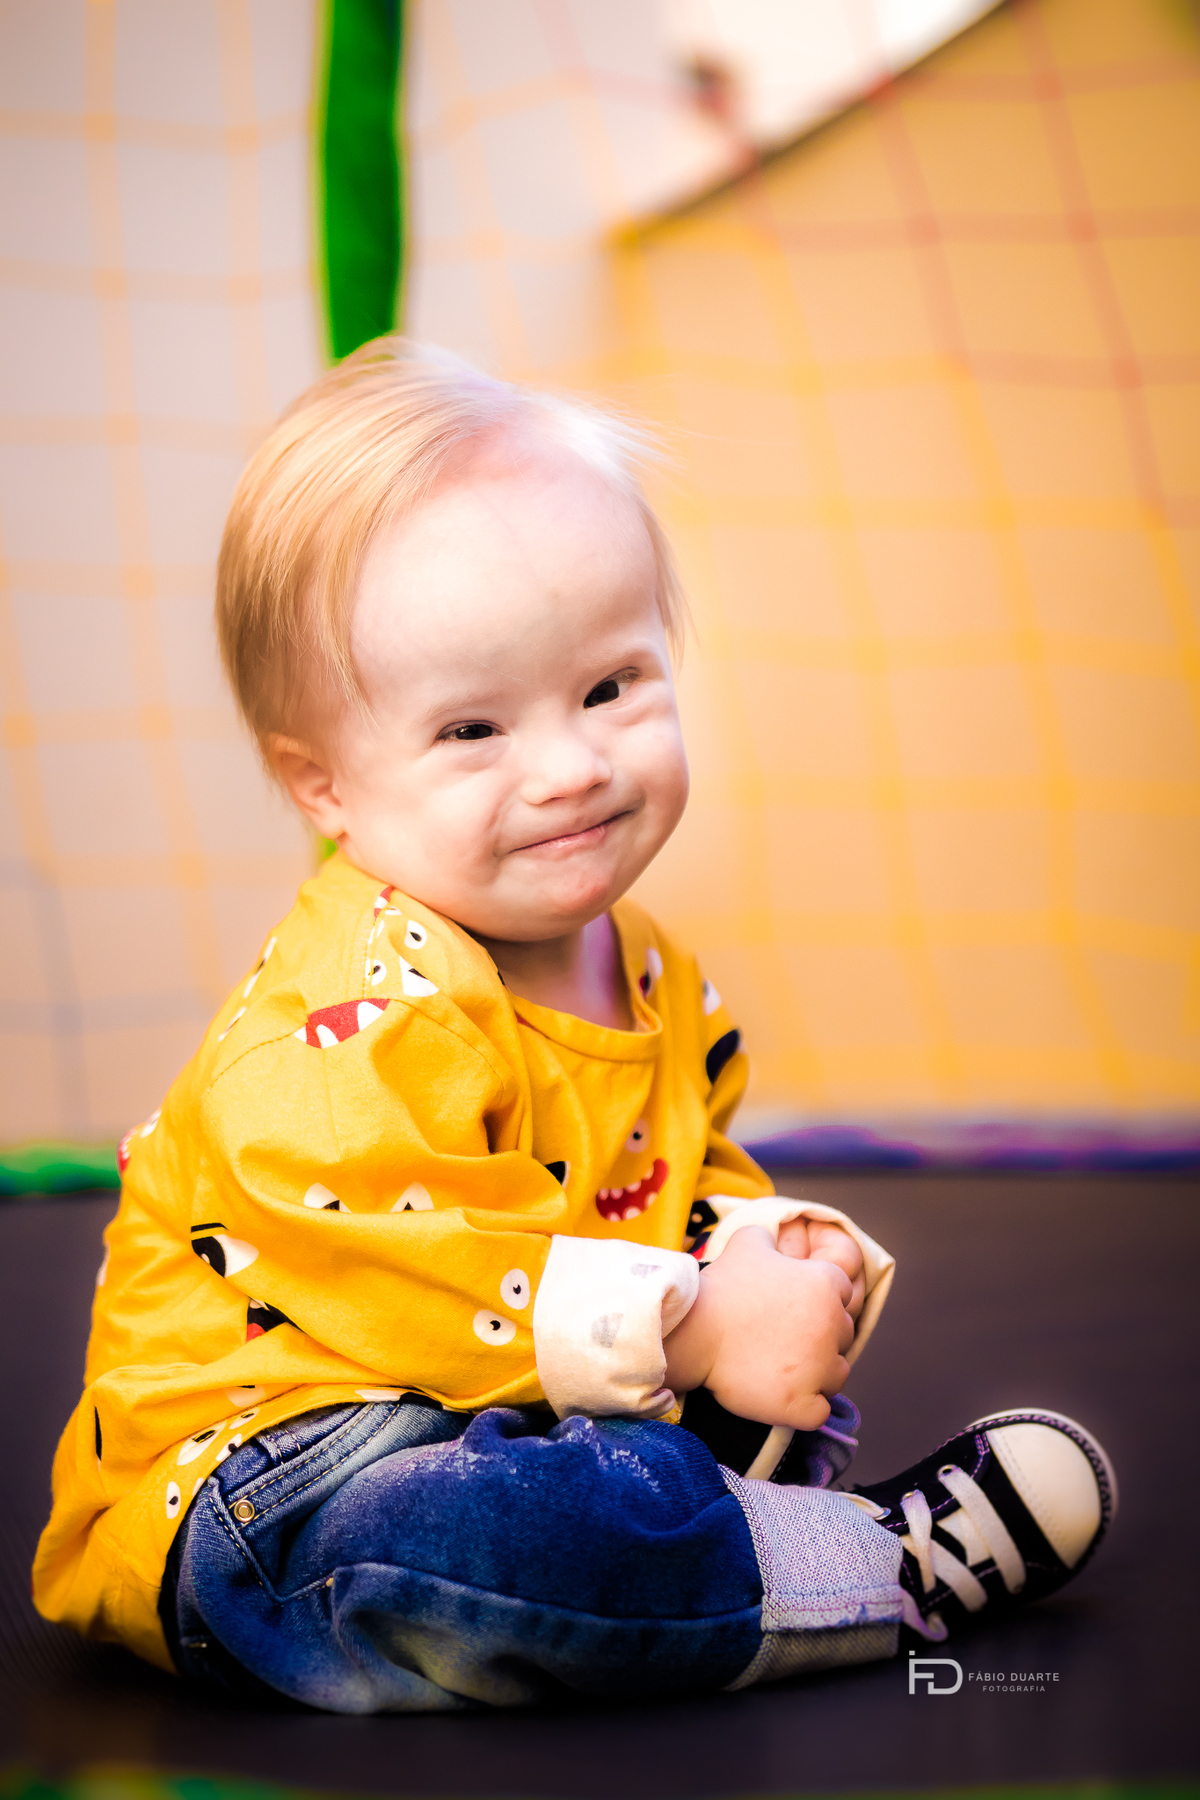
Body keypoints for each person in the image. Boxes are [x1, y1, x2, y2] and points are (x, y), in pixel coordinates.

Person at [33, 340, 1116, 1714]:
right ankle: (866, 1566)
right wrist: (694, 1326)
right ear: (325, 789)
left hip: (509, 1412)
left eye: (610, 688)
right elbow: (408, 1281)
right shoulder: (347, 1027)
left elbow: (674, 1163)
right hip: (270, 1484)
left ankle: (697, 1517)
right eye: (472, 730)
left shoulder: (651, 969)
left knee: (678, 1404)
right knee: (494, 1532)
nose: (569, 767)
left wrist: (756, 1249)